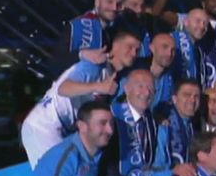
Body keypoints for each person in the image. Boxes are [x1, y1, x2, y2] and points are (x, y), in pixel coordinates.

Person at [21, 28, 141, 168]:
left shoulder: (112, 75)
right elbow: (63, 88)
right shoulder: (94, 66)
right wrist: (99, 87)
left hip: (64, 130)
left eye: (137, 50)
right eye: (130, 47)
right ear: (116, 46)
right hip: (44, 126)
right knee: (57, 174)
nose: (134, 53)